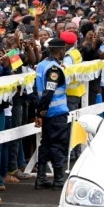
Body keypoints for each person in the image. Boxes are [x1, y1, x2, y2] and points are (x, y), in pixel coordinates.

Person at [34, 37, 71, 189]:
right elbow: (49, 91)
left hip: (46, 113)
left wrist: (38, 112)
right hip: (56, 113)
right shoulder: (54, 69)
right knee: (58, 145)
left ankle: (41, 178)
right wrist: (42, 110)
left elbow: (37, 90)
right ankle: (59, 180)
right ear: (60, 51)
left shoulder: (42, 65)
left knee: (46, 144)